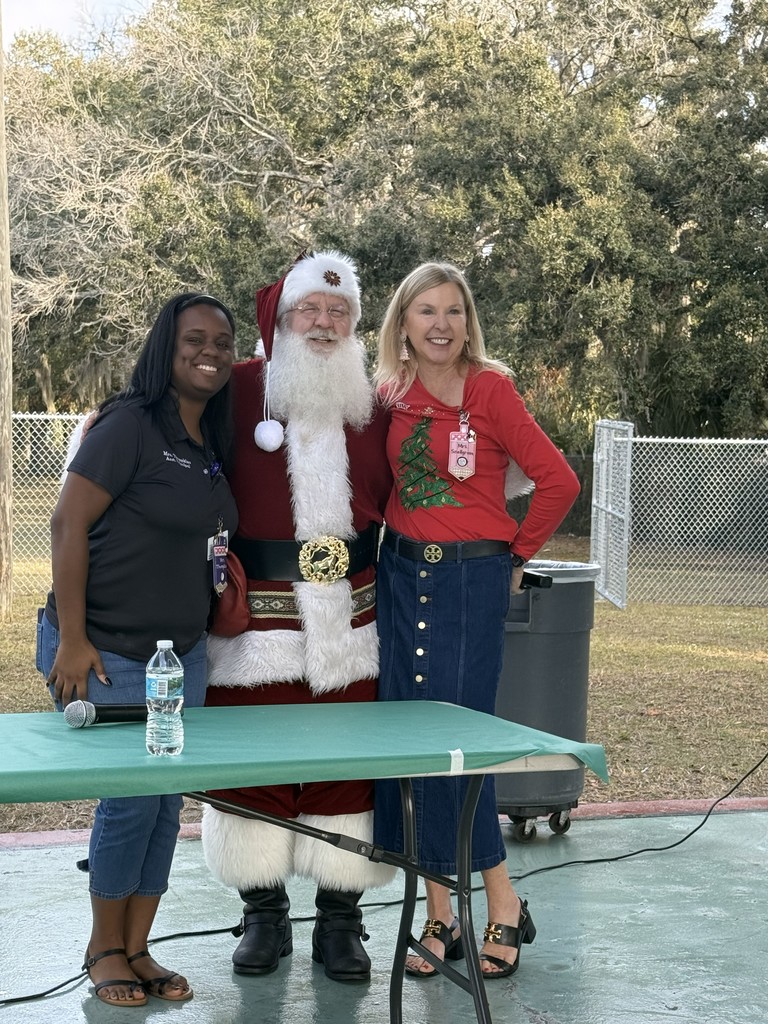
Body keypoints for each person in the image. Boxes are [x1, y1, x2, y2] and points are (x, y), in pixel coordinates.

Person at [372, 262, 580, 980]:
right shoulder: (388, 395)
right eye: (425, 311)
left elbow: (558, 481)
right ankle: (440, 914)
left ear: (467, 321)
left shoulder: (491, 390)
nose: (440, 324)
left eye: (452, 311)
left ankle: (503, 902)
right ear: (403, 323)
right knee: (410, 743)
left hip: (470, 580)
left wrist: (517, 554)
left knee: (460, 742)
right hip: (401, 575)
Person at [38, 293, 238, 1007]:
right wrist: (73, 639)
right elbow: (66, 525)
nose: (209, 350)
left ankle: (140, 947)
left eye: (222, 340)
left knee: (162, 804)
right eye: (193, 339)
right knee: (129, 802)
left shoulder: (210, 439)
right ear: (166, 347)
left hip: (180, 657)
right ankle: (103, 949)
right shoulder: (129, 426)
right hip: (108, 652)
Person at [202, 251, 396, 983]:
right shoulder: (234, 391)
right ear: (280, 322)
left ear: (354, 325)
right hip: (253, 625)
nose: (324, 324)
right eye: (308, 311)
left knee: (345, 771)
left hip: (352, 621)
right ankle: (263, 913)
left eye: (338, 313)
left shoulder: (378, 403)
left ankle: (342, 922)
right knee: (252, 766)